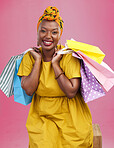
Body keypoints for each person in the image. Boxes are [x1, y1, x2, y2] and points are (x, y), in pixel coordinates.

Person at [17, 6, 93, 148]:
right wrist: (38, 62)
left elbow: (71, 92)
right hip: (42, 117)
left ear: (60, 35)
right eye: (43, 30)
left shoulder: (68, 56)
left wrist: (55, 64)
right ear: (38, 33)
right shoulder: (30, 57)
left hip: (71, 117)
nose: (48, 36)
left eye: (54, 32)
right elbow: (28, 90)